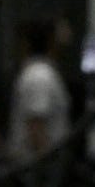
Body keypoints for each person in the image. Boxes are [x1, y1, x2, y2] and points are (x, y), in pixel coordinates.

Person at [7, 19, 71, 163]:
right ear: (51, 41)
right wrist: (45, 168)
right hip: (37, 169)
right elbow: (36, 126)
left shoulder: (41, 73)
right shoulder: (40, 75)